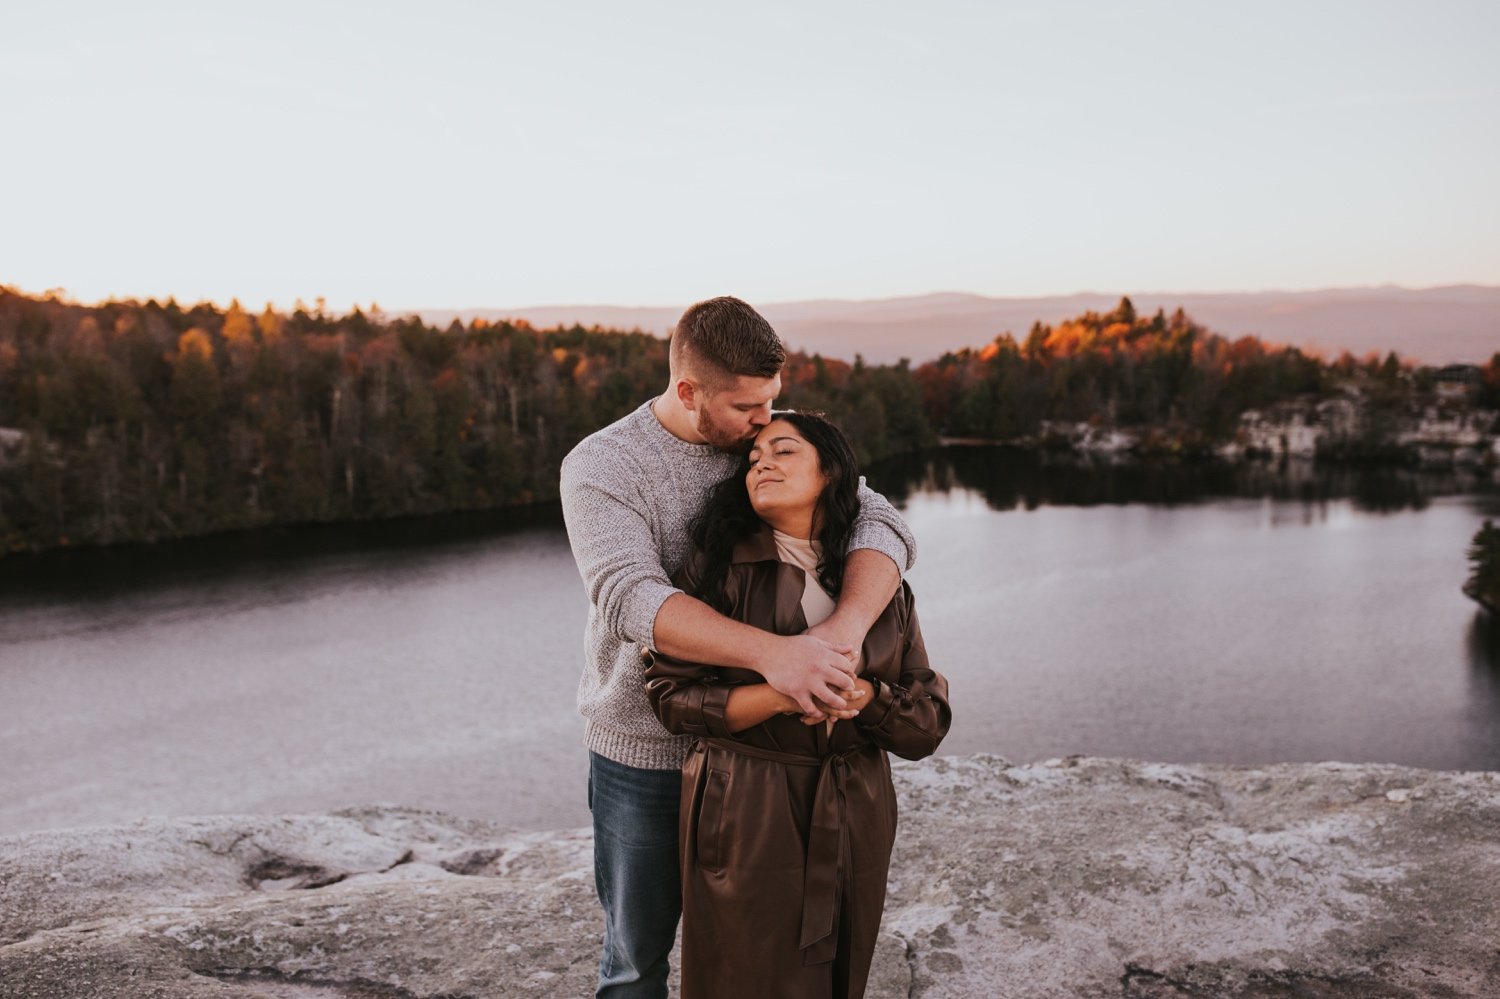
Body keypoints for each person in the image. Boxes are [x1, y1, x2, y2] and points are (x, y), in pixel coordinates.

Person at [559, 296, 916, 999]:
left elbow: (880, 519)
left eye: (772, 402)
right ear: (689, 392)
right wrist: (776, 657)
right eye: (748, 407)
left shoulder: (759, 444)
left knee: (761, 966)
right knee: (635, 961)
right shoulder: (605, 465)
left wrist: (836, 638)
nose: (766, 422)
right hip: (646, 755)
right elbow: (631, 597)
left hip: (761, 766)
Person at [644, 411, 951, 999]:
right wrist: (781, 693)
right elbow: (670, 697)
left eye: (783, 451)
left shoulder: (878, 582)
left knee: (843, 975)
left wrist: (861, 697)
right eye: (754, 458)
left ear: (832, 471)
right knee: (748, 978)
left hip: (857, 800)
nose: (761, 463)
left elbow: (925, 723)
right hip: (747, 804)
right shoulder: (715, 571)